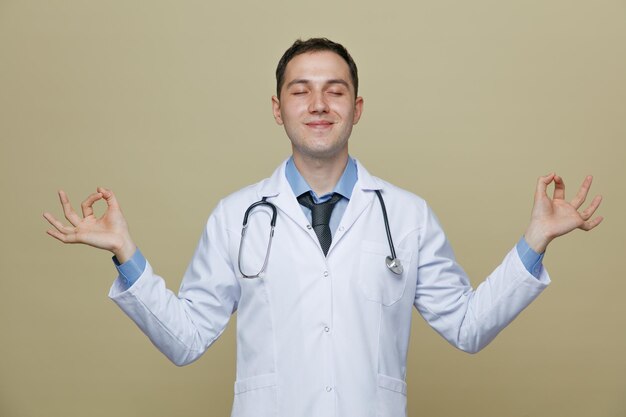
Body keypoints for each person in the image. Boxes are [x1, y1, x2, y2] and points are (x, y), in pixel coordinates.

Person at [43, 38, 603, 417]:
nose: (318, 104)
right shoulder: (236, 214)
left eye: (334, 90)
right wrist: (124, 251)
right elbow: (186, 339)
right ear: (277, 107)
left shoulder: (405, 214)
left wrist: (535, 242)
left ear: (357, 108)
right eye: (300, 89)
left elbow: (468, 326)